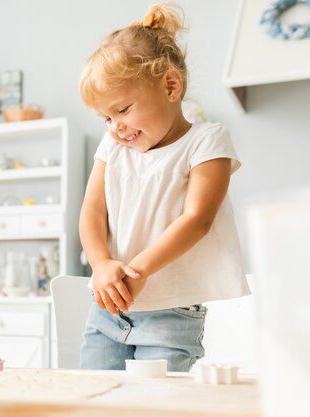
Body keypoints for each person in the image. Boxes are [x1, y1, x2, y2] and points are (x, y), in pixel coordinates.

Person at [78, 4, 250, 371]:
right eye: (105, 118)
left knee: (157, 405)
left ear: (171, 86)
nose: (114, 127)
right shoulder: (112, 147)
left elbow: (197, 219)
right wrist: (101, 262)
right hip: (108, 308)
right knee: (93, 399)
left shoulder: (207, 141)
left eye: (122, 110)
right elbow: (92, 211)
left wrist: (135, 271)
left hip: (171, 314)